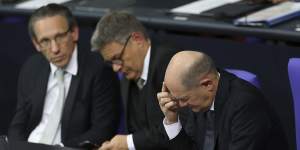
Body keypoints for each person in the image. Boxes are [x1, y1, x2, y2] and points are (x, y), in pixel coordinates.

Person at [8, 3, 120, 148]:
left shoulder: (99, 69)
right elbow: (19, 123)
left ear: (74, 33)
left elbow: (102, 130)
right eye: (45, 41)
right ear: (36, 44)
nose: (55, 49)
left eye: (59, 37)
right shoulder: (32, 67)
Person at [157, 51, 288, 150]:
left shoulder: (245, 104)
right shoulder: (195, 100)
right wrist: (172, 121)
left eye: (183, 99)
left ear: (207, 84)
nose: (179, 105)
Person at [90, 11, 181, 150]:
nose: (115, 68)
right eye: (111, 62)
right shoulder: (130, 73)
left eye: (117, 57)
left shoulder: (171, 64)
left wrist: (128, 142)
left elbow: (178, 128)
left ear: (137, 39)